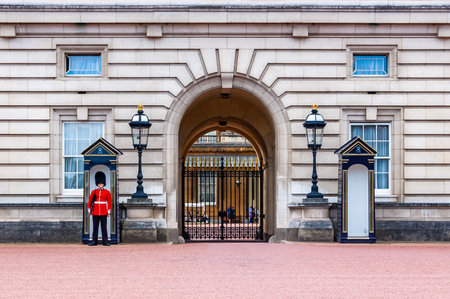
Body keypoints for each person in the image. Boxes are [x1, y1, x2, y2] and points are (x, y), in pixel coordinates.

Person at [87, 171, 112, 246]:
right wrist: (89, 208)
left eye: (101, 183)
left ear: (103, 184)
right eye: (99, 183)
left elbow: (109, 201)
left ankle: (105, 241)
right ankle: (94, 241)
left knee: (104, 227)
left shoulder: (107, 192)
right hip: (95, 211)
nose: (100, 184)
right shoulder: (93, 192)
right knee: (95, 227)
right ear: (97, 184)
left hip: (104, 211)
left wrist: (109, 210)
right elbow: (90, 200)